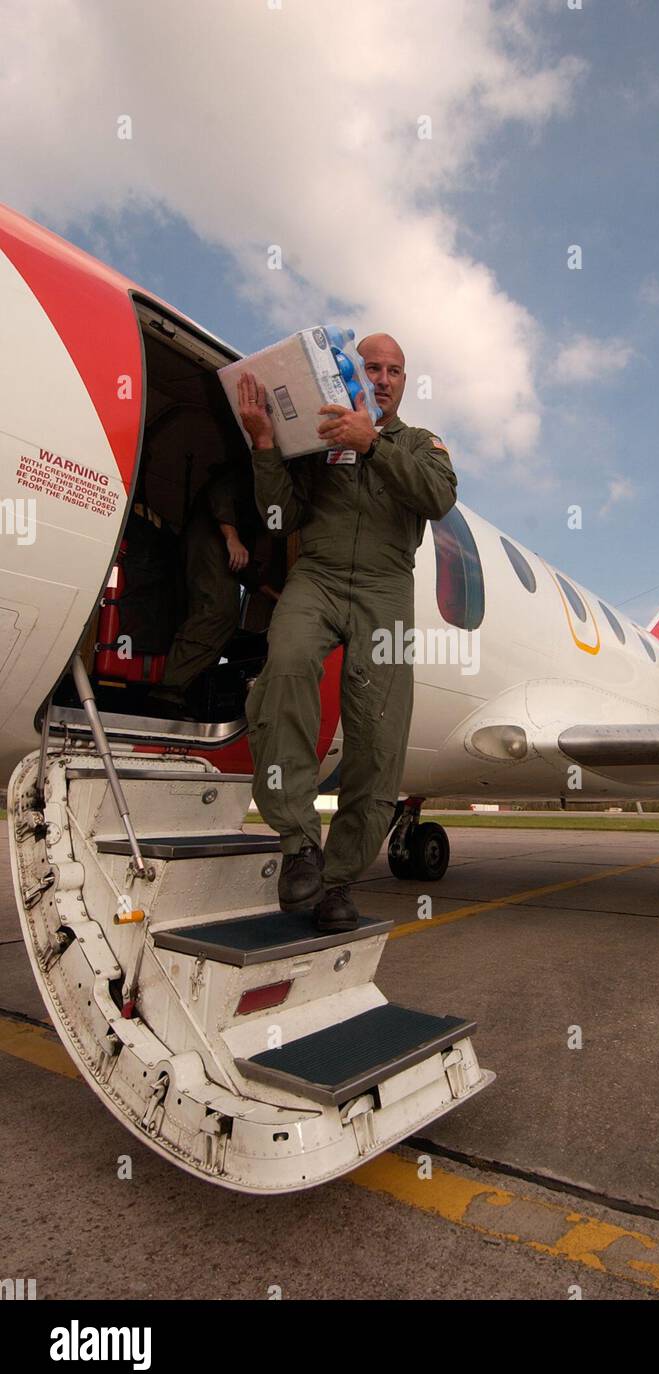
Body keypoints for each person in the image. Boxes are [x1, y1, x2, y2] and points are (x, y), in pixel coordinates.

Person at [239, 333, 457, 931]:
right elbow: (279, 515)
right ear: (348, 373)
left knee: (378, 738)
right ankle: (298, 847)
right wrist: (264, 444)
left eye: (393, 370)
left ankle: (338, 882)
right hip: (319, 573)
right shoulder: (319, 435)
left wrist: (375, 445)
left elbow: (439, 497)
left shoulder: (419, 443)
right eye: (371, 367)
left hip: (386, 588)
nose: (382, 378)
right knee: (283, 668)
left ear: (403, 382)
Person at [149, 463, 257, 718]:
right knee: (218, 612)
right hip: (210, 543)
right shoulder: (248, 471)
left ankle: (179, 691)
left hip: (209, 546)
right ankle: (168, 691)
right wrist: (231, 537)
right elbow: (220, 494)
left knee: (213, 614)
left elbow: (250, 571)